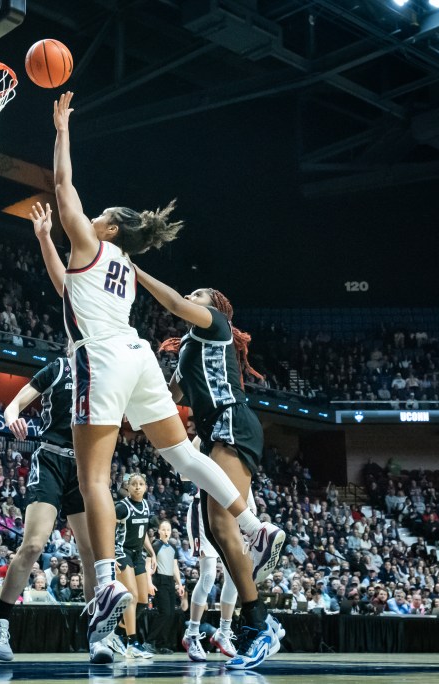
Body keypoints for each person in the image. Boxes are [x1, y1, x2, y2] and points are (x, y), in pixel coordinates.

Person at [46, 97, 285, 649]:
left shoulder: (91, 243)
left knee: (94, 479)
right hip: (138, 357)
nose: (92, 215)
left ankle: (106, 582)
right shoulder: (123, 271)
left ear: (108, 228)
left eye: (98, 214)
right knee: (182, 457)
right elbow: (68, 288)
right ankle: (255, 526)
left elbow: (63, 191)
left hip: (101, 357)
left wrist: (61, 130)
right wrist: (41, 242)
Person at [137, 267, 286, 668]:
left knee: (223, 525)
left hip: (233, 420)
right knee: (220, 532)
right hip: (217, 430)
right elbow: (169, 398)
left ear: (216, 307)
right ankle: (258, 622)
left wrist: (135, 271)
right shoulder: (188, 349)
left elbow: (173, 303)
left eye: (199, 293)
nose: (191, 295)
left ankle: (260, 610)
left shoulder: (216, 324)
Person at [0, 356, 102, 663]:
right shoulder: (58, 367)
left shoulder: (105, 370)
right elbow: (14, 404)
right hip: (50, 459)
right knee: (34, 544)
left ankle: (97, 636)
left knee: (90, 553)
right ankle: (0, 624)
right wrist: (12, 417)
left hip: (85, 465)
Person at [182, 483, 241, 661]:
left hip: (228, 510)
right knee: (208, 576)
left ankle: (223, 632)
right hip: (203, 509)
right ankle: (191, 633)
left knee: (233, 577)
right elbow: (185, 473)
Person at [107, 474, 156, 660]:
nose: (137, 487)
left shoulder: (145, 506)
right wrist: (111, 557)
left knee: (143, 600)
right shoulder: (121, 507)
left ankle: (118, 632)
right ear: (127, 487)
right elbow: (108, 531)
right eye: (133, 484)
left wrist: (152, 553)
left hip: (138, 554)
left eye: (141, 484)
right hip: (122, 552)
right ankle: (132, 643)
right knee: (132, 597)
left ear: (145, 487)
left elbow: (142, 534)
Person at [145, 520, 186, 655]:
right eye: (163, 529)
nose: (166, 532)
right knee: (164, 613)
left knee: (171, 614)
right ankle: (149, 641)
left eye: (168, 530)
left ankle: (162, 644)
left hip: (169, 581)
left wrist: (179, 584)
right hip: (159, 580)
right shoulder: (155, 546)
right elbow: (148, 564)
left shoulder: (173, 548)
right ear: (159, 531)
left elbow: (174, 567)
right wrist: (149, 582)